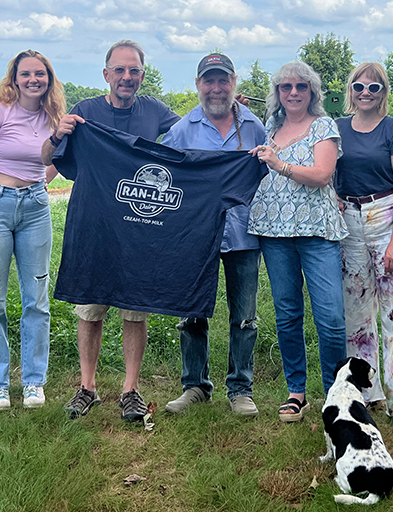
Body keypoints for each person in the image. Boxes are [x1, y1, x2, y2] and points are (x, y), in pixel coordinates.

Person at [41, 40, 180, 422]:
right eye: (119, 70)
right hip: (94, 225)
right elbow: (48, 160)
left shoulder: (155, 111)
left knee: (135, 311)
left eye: (133, 70)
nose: (126, 77)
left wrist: (231, 120)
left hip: (140, 226)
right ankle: (87, 387)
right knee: (90, 308)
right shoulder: (85, 111)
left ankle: (130, 390)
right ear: (106, 74)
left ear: (142, 75)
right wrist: (58, 134)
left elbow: (191, 140)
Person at [161, 54, 266, 416]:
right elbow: (165, 179)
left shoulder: (255, 126)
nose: (216, 88)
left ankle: (240, 389)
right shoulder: (181, 130)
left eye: (223, 80)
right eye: (209, 81)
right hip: (194, 237)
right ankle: (195, 387)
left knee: (245, 316)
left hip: (244, 235)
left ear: (234, 82)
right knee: (191, 314)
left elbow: (269, 175)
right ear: (198, 84)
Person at [248, 61, 347, 422]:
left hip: (317, 233)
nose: (292, 93)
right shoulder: (270, 128)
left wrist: (279, 164)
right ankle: (297, 392)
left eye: (300, 87)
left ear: (312, 93)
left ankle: (337, 394)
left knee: (331, 317)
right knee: (288, 314)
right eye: (285, 87)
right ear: (277, 93)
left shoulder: (323, 126)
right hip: (274, 233)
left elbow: (322, 175)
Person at [0, 49, 66, 411]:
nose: (33, 80)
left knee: (36, 300)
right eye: (26, 74)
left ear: (49, 79)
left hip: (35, 209)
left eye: (40, 74)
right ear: (14, 78)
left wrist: (40, 183)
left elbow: (54, 160)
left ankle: (33, 383)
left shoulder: (53, 117)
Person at [334, 62, 393, 434]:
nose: (366, 93)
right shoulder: (337, 128)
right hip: (349, 221)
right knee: (355, 313)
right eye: (359, 86)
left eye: (374, 87)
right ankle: (363, 393)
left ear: (383, 92)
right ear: (350, 90)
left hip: (387, 215)